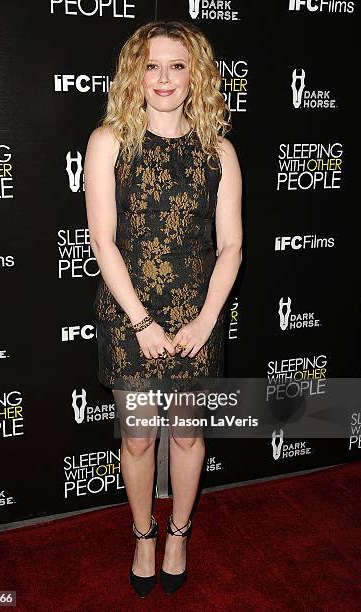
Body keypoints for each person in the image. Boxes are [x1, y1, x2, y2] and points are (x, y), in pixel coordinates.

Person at [84, 20, 242, 597]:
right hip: (132, 319)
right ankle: (143, 534)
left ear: (196, 74)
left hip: (197, 319)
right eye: (151, 65)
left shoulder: (218, 151)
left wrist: (204, 322)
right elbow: (103, 241)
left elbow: (231, 246)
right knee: (139, 439)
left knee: (187, 436)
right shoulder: (108, 142)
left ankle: (179, 532)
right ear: (135, 74)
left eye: (177, 65)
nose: (164, 78)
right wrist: (143, 321)